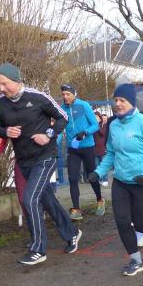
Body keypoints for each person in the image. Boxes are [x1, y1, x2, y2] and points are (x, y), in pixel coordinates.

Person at [0, 62, 81, 265]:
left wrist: (48, 134)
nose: (1, 89)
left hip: (45, 157)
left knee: (29, 199)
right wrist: (6, 131)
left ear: (16, 80)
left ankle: (38, 249)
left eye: (4, 84)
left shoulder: (38, 97)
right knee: (47, 199)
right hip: (24, 159)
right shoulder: (1, 104)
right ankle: (72, 232)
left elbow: (63, 117)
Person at [88, 83, 143, 276]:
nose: (118, 104)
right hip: (121, 182)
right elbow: (111, 153)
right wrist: (99, 171)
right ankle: (136, 260)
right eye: (116, 100)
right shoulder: (113, 125)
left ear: (132, 102)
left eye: (122, 100)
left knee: (142, 225)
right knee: (122, 221)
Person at [60, 84, 104, 220]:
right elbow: (60, 128)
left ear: (74, 94)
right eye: (63, 94)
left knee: (91, 176)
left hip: (87, 147)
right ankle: (76, 209)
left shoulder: (83, 105)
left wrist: (85, 132)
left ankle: (100, 200)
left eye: (68, 94)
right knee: (73, 178)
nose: (65, 97)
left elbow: (95, 125)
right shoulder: (62, 109)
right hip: (73, 148)